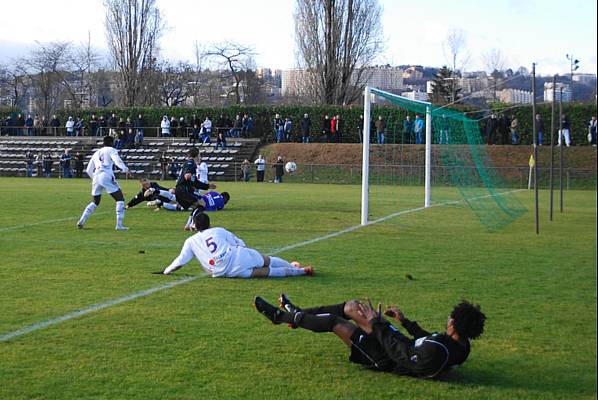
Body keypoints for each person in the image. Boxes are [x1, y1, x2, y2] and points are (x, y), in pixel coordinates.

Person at [254, 294, 485, 379]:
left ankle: (282, 318)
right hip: (393, 343)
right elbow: (426, 339)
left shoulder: (435, 353)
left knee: (337, 323)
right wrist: (403, 322)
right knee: (354, 307)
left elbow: (402, 356)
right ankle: (298, 314)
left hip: (383, 358)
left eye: (450, 318)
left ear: (453, 326)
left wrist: (377, 325)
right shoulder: (459, 344)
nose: (447, 320)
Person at [153, 212, 314, 278]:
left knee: (268, 272)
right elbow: (238, 242)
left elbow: (180, 261)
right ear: (209, 223)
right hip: (237, 256)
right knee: (268, 260)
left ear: (195, 226)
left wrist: (165, 271)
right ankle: (298, 268)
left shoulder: (190, 241)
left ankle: (299, 272)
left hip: (224, 271)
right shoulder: (218, 230)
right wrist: (246, 252)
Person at [76, 135, 130, 231]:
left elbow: (88, 170)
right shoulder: (112, 150)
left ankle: (81, 221)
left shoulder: (96, 153)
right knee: (120, 199)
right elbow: (117, 160)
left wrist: (95, 179)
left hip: (96, 176)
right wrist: (125, 168)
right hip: (105, 175)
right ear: (111, 143)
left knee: (95, 201)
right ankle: (119, 225)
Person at [174, 147, 217, 229]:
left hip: (182, 190)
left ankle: (188, 225)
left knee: (198, 206)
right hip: (183, 190)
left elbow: (195, 183)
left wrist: (208, 186)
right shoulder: (191, 163)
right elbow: (187, 171)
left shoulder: (191, 164)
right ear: (197, 155)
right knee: (201, 204)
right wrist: (187, 174)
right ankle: (193, 224)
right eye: (199, 155)